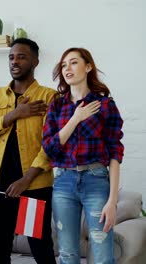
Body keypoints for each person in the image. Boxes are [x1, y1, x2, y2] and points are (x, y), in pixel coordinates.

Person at [0, 38, 57, 264]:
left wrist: (25, 179)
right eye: (11, 57)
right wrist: (14, 114)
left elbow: (52, 145)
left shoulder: (49, 97)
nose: (15, 61)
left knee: (40, 249)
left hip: (33, 187)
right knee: (0, 251)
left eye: (21, 56)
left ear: (35, 61)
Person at [42, 47, 124, 264]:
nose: (67, 68)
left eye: (74, 62)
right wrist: (76, 118)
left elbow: (115, 153)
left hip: (96, 181)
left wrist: (112, 201)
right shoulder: (57, 105)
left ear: (88, 67)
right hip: (63, 183)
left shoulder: (105, 105)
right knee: (67, 255)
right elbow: (49, 148)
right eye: (64, 64)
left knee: (103, 256)